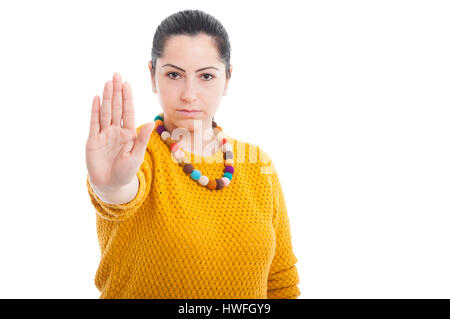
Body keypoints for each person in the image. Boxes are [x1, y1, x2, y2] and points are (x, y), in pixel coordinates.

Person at [85, 9, 300, 299]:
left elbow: (280, 282)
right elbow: (122, 195)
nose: (189, 94)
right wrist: (111, 187)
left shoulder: (258, 163)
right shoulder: (134, 153)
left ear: (227, 78)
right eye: (174, 74)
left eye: (206, 76)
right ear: (152, 76)